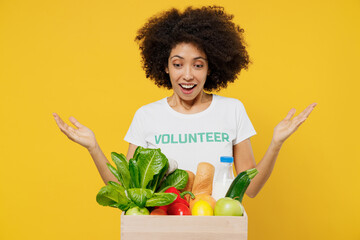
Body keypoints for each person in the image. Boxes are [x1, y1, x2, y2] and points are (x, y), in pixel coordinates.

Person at [53, 6, 316, 198]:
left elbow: (251, 189)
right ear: (165, 67)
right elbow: (127, 189)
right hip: (162, 228)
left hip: (219, 228)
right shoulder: (146, 116)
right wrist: (93, 148)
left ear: (210, 68)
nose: (187, 75)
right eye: (178, 64)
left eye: (198, 65)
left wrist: (276, 143)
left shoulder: (232, 110)